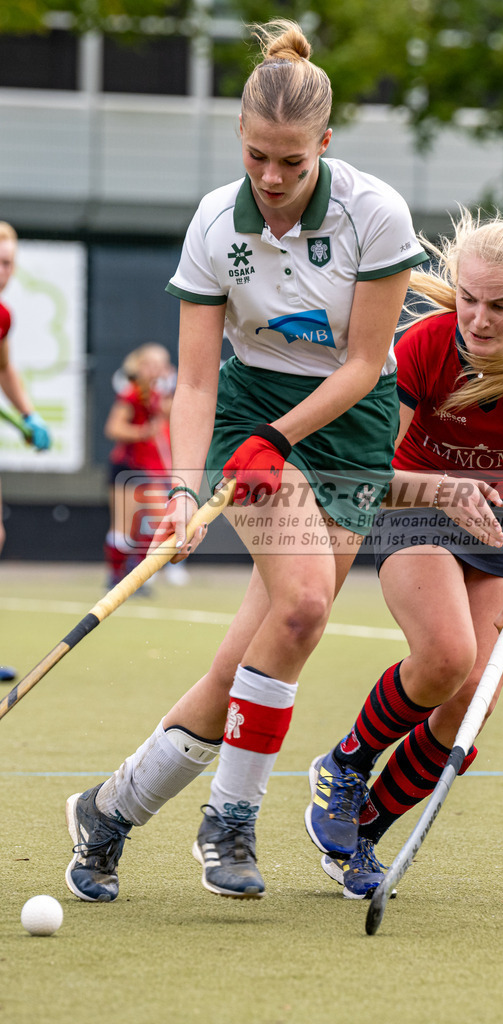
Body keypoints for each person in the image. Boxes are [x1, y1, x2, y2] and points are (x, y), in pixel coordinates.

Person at [63, 19, 431, 904]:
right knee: (304, 602)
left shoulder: (374, 214)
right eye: (259, 157)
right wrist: (187, 492)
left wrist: (284, 438)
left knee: (258, 652)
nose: (271, 179)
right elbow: (193, 382)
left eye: (292, 162)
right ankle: (231, 819)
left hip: (348, 420)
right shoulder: (211, 224)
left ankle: (108, 811)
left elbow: (357, 366)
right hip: (246, 410)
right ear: (240, 136)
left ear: (325, 146)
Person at [304, 209, 503, 899]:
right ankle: (347, 764)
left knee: (472, 699)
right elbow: (366, 477)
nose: (477, 318)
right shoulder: (423, 346)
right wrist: (439, 489)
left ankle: (365, 835)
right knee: (445, 655)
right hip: (416, 506)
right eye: (467, 298)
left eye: (499, 305)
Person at [0, 221, 51, 682]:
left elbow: (4, 367)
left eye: (9, 262)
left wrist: (28, 414)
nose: (4, 270)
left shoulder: (2, 315)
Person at [103, 343, 175, 587]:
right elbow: (114, 428)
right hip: (127, 466)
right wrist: (144, 431)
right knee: (122, 526)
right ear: (140, 366)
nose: (156, 371)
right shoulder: (131, 394)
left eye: (161, 366)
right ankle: (115, 575)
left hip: (151, 469)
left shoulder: (159, 397)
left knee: (159, 519)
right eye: (151, 365)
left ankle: (138, 574)